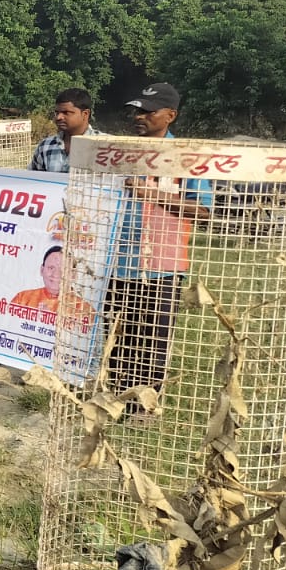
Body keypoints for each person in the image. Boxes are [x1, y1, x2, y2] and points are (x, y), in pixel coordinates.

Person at [104, 82, 211, 391]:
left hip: (162, 264)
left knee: (153, 336)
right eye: (136, 111)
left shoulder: (185, 156)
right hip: (117, 259)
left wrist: (150, 193)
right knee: (118, 332)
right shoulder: (119, 153)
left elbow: (202, 211)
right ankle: (114, 393)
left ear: (170, 116)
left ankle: (147, 401)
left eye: (149, 112)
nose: (139, 117)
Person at [30, 88, 99, 173]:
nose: (58, 117)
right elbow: (35, 181)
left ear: (85, 114)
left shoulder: (106, 146)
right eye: (57, 113)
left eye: (66, 113)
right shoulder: (45, 146)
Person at [9, 246, 63, 318]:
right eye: (51, 268)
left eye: (62, 270)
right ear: (41, 270)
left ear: (73, 275)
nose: (56, 274)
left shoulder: (81, 308)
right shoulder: (21, 298)